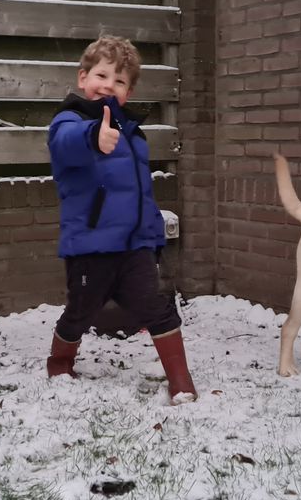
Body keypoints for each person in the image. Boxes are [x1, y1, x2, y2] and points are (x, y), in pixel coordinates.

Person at [45, 35, 197, 403]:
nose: (108, 86)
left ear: (128, 91)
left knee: (156, 306)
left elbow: (141, 195)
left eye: (119, 81)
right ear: (83, 78)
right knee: (81, 311)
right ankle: (60, 362)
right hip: (90, 245)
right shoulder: (70, 121)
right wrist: (93, 136)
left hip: (134, 247)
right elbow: (64, 142)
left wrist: (152, 238)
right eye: (101, 75)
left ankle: (180, 380)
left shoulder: (134, 135)